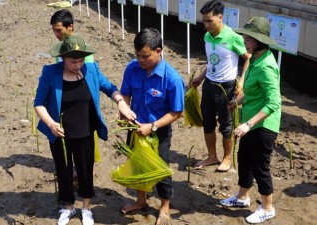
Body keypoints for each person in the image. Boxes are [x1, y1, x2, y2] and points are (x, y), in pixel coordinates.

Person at [34, 35, 136, 225]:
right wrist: (51, 124)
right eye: (73, 61)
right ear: (63, 58)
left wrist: (121, 103)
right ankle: (68, 207)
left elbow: (109, 87)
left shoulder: (91, 70)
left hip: (85, 132)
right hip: (60, 135)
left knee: (85, 170)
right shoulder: (50, 73)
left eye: (81, 60)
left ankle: (86, 208)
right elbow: (39, 103)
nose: (78, 65)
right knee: (63, 171)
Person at [119, 28, 185, 225]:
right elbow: (125, 94)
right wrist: (124, 108)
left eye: (145, 56)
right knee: (138, 165)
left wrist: (153, 126)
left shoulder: (171, 78)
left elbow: (176, 112)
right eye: (138, 55)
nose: (140, 60)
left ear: (158, 51)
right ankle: (141, 201)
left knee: (161, 169)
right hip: (135, 127)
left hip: (158, 131)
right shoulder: (132, 68)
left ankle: (164, 207)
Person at [220, 17, 281, 224]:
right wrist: (238, 101)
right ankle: (242, 197)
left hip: (263, 125)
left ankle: (267, 208)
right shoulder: (255, 58)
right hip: (250, 121)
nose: (244, 40)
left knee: (260, 166)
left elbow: (273, 102)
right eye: (245, 36)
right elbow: (256, 92)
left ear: (259, 40)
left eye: (248, 37)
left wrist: (248, 124)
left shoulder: (267, 67)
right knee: (244, 159)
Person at [191, 0, 250, 172]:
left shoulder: (233, 37)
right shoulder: (207, 37)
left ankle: (226, 158)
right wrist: (201, 77)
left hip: (227, 87)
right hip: (209, 84)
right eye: (204, 21)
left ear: (220, 17)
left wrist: (241, 81)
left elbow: (248, 58)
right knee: (207, 122)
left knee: (226, 125)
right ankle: (211, 156)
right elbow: (211, 61)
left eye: (210, 20)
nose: (206, 25)